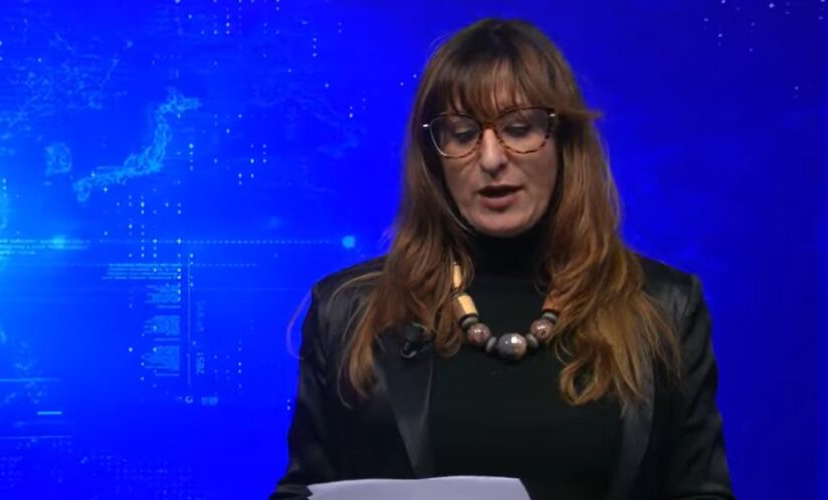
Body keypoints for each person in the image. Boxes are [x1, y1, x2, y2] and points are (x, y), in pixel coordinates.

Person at [270, 18, 734, 500]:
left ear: (563, 141)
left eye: (518, 128)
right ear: (434, 157)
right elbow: (305, 490)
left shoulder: (664, 307)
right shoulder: (348, 311)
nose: (491, 158)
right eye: (462, 133)